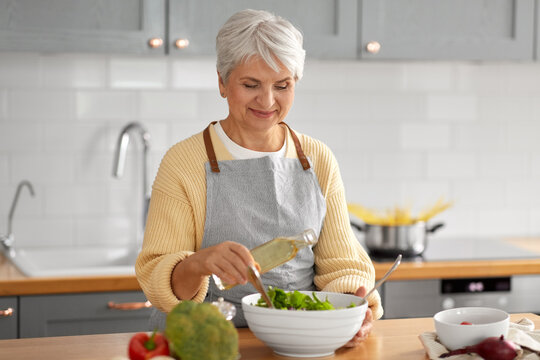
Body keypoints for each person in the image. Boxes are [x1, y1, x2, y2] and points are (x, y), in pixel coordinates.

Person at [136, 8, 382, 346]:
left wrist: (348, 311)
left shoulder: (317, 159)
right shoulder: (184, 162)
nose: (267, 101)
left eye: (282, 86)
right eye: (251, 84)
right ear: (222, 82)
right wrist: (198, 263)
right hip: (205, 342)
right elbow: (156, 277)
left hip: (299, 341)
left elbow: (341, 264)